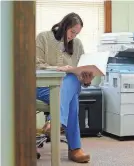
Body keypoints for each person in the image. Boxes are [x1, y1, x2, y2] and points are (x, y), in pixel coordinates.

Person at [36, 12, 93, 163]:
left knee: (72, 79)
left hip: (66, 88)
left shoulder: (78, 44)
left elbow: (80, 72)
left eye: (77, 33)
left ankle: (54, 121)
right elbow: (35, 65)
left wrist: (86, 80)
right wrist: (59, 68)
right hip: (43, 87)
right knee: (71, 97)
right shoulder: (43, 37)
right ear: (64, 26)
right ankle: (75, 149)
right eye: (72, 32)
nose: (74, 36)